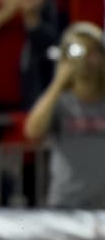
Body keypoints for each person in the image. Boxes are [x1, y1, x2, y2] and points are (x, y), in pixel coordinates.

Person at [23, 22, 105, 208]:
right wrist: (58, 82)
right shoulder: (61, 102)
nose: (88, 61)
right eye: (81, 53)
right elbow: (33, 131)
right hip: (66, 205)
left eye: (95, 53)